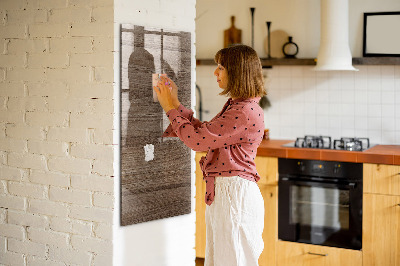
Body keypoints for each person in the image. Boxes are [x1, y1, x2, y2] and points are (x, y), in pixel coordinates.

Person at [153, 44, 266, 266]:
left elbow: (197, 141)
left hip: (234, 196)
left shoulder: (243, 111)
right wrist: (175, 103)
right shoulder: (239, 106)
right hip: (228, 194)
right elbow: (205, 133)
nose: (215, 72)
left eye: (221, 67)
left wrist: (169, 108)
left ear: (237, 71)